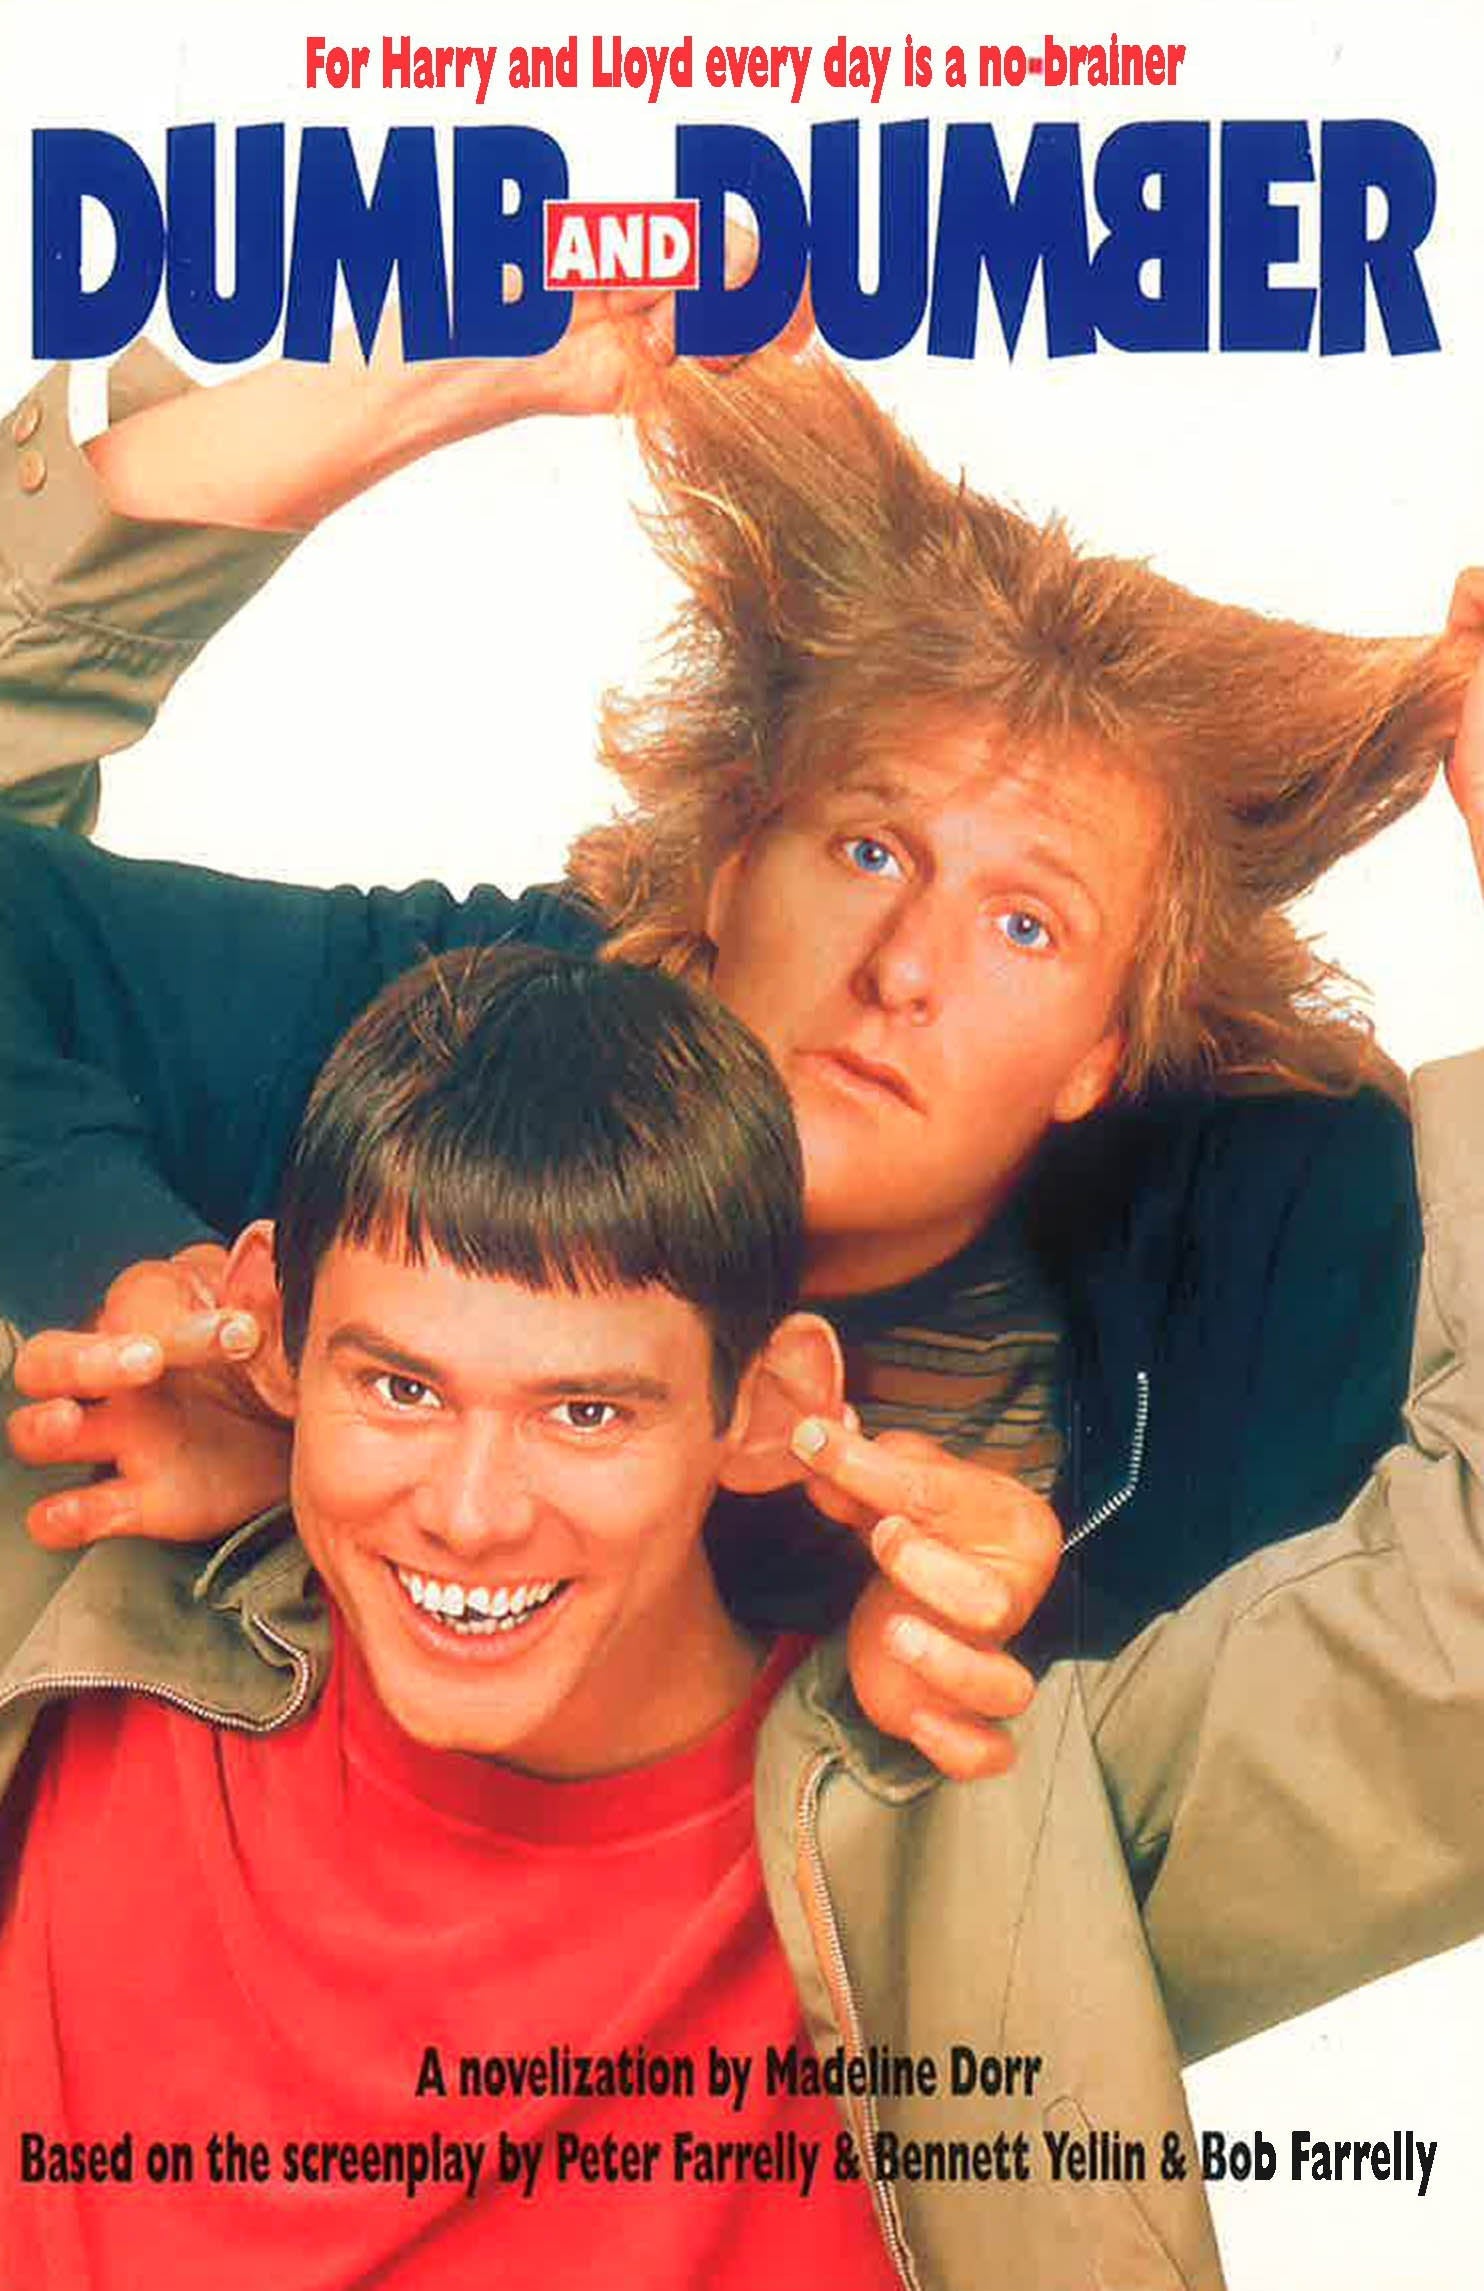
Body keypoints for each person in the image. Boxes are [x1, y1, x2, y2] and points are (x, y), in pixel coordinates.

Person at [0, 318, 1473, 1757]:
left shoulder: (1273, 1236)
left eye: (1027, 925)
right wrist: (149, 1300)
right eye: (870, 852)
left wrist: (1017, 1694)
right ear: (731, 863)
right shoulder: (461, 1046)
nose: (903, 968)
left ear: (1110, 1048)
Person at [6, 912, 1484, 2291]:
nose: (468, 1511)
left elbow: (1456, 1637)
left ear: (768, 1408)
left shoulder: (976, 1841)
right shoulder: (85, 1596)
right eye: (399, 1389)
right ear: (276, 1334)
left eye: (586, 1413)